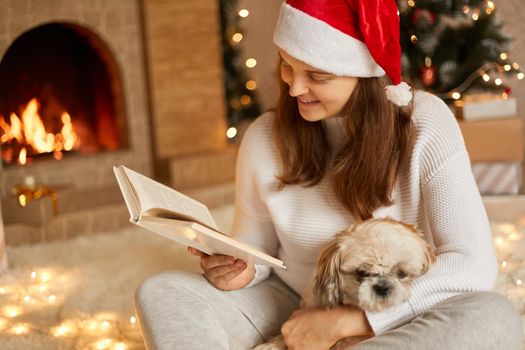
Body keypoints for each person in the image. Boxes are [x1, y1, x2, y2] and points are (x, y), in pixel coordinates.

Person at [134, 0, 523, 349]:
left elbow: (473, 264)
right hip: (294, 308)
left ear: (363, 74)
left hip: (405, 312)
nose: (294, 87)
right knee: (162, 292)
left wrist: (351, 323)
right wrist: (240, 272)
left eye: (317, 76)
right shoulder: (264, 140)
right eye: (287, 64)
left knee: (493, 315)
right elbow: (258, 252)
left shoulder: (425, 122)